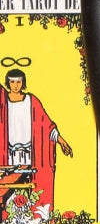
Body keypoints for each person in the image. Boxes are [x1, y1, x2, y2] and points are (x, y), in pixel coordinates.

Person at [0, 68, 72, 211]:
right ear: (8, 83)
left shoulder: (31, 101)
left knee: (29, 190)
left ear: (23, 83)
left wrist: (61, 141)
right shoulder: (2, 102)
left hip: (29, 156)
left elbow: (47, 126)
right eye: (12, 81)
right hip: (10, 157)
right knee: (9, 191)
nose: (15, 85)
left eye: (19, 82)